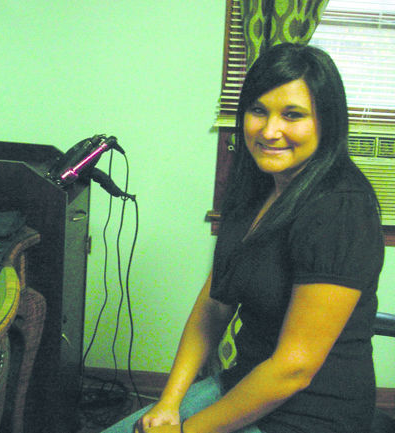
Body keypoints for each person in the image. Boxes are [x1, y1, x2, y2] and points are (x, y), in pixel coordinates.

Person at [102, 43, 384, 433]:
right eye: (258, 111)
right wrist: (169, 403)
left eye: (293, 115)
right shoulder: (256, 187)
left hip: (314, 414)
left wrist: (186, 431)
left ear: (327, 121)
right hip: (242, 384)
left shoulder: (341, 209)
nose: (269, 131)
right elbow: (213, 305)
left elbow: (293, 369)